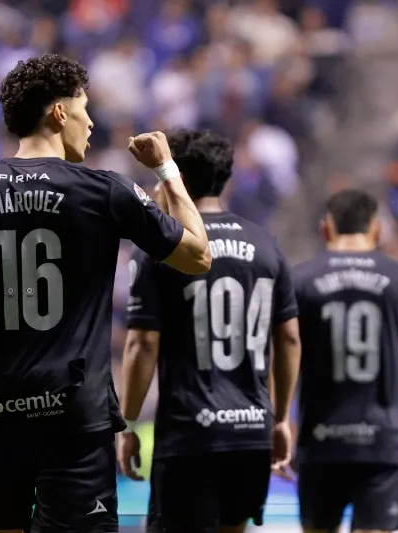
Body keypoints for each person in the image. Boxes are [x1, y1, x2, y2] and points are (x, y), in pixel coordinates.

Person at [0, 54, 211, 533]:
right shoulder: (104, 190)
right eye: (84, 109)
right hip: (74, 414)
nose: (90, 122)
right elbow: (198, 256)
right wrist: (167, 172)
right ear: (58, 113)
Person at [118, 129, 302, 533]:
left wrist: (127, 424)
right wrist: (280, 418)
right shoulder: (267, 245)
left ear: (172, 177)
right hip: (251, 432)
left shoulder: (164, 248)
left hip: (190, 435)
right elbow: (288, 338)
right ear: (226, 179)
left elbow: (142, 343)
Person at [291, 189, 398, 533]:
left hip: (320, 441)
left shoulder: (299, 279)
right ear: (377, 230)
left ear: (325, 229)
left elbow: (284, 348)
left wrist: (280, 419)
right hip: (379, 443)